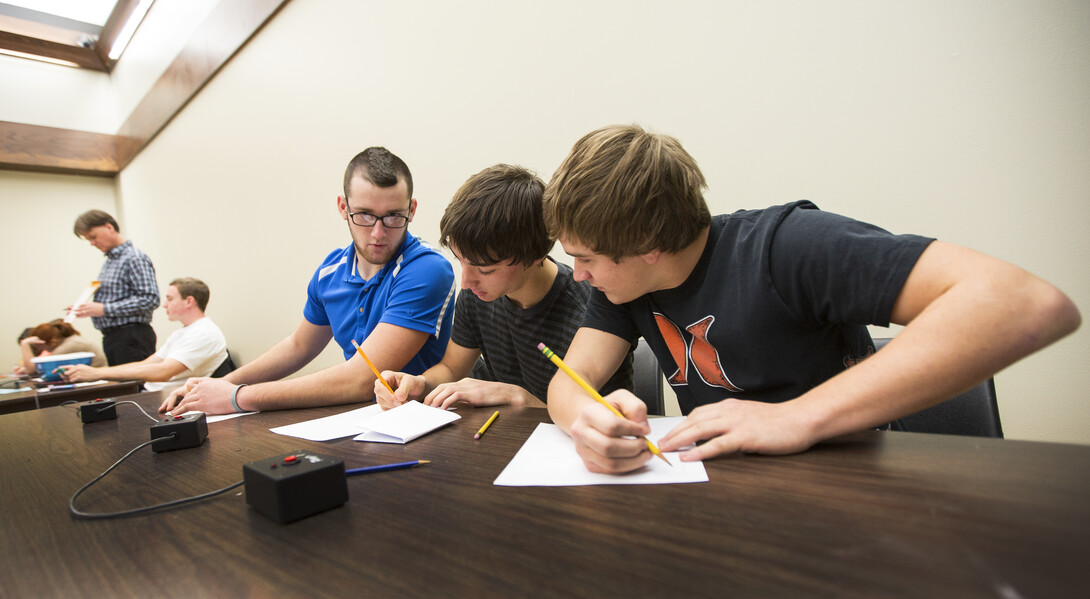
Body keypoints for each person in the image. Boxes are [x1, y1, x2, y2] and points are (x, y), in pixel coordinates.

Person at [542, 124, 1081, 475]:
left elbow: (1025, 304)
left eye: (585, 258)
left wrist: (798, 417)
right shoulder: (623, 284)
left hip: (853, 481)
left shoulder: (786, 247)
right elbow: (569, 379)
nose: (578, 276)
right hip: (727, 492)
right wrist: (588, 417)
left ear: (648, 247)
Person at [160, 147, 456, 416]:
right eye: (364, 215)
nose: (378, 233)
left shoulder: (426, 269)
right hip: (365, 417)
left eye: (393, 217)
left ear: (412, 210)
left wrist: (238, 396)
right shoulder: (330, 271)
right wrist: (216, 386)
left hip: (425, 417)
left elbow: (362, 378)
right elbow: (300, 345)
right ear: (343, 207)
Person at [375, 164, 633, 411]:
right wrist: (420, 384)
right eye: (461, 261)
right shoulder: (478, 293)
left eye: (485, 269)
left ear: (535, 255)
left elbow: (603, 419)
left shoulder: (590, 315)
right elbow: (452, 369)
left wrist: (517, 397)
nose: (466, 281)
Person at [61, 278, 227, 392]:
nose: (164, 305)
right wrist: (94, 372)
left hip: (165, 398)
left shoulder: (205, 333)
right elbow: (144, 365)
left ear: (189, 301)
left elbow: (163, 372)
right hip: (151, 393)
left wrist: (97, 373)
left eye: (169, 299)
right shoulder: (183, 332)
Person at [71, 210, 159, 366]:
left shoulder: (134, 257)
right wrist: (87, 308)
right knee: (122, 387)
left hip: (131, 337)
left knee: (136, 387)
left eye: (93, 237)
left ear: (109, 227)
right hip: (114, 338)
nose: (92, 243)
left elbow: (150, 299)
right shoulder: (110, 261)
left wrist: (104, 309)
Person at [14, 320, 106, 376]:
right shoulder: (67, 342)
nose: (37, 347)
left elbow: (32, 370)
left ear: (51, 342)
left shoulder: (70, 345)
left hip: (99, 380)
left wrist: (24, 344)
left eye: (37, 344)